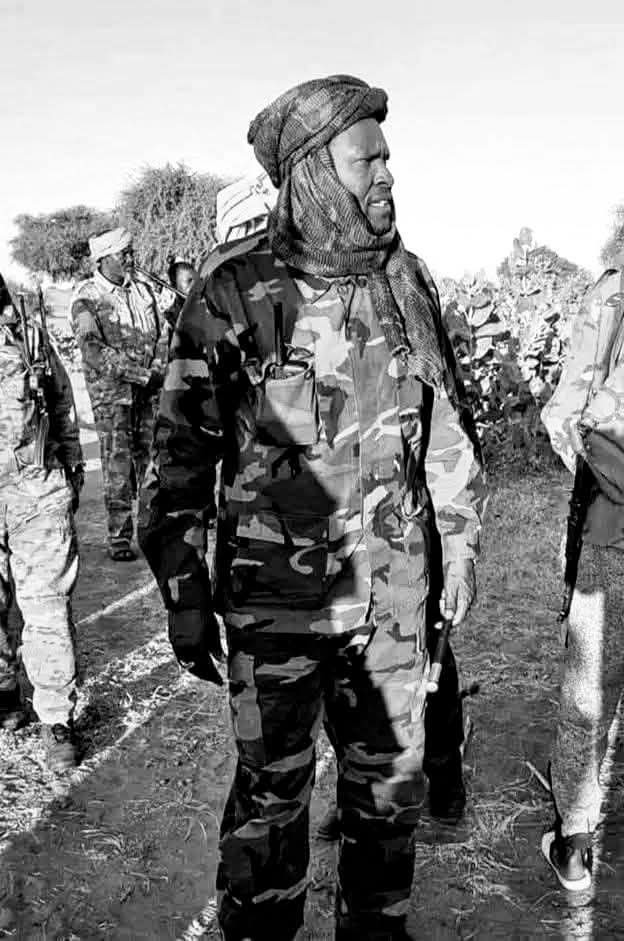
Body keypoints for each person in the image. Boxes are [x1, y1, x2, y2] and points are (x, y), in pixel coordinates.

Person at [139, 75, 486, 940]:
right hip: (276, 613)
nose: (388, 175)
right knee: (271, 805)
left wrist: (460, 547)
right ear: (314, 174)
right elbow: (179, 457)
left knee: (388, 801)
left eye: (388, 157)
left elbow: (447, 436)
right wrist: (183, 591)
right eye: (368, 160)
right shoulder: (234, 288)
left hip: (395, 606)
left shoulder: (407, 281)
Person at [541, 258, 624, 891]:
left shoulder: (614, 293)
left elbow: (569, 417)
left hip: (613, 530)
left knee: (589, 689)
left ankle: (575, 841)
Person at [0, 274, 84, 771]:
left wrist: (72, 463)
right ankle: (4, 692)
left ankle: (56, 717)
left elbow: (61, 399)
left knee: (47, 605)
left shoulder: (26, 333)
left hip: (35, 488)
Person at [71, 227, 168, 561]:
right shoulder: (86, 297)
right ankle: (119, 537)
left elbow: (163, 333)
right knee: (118, 466)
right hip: (113, 397)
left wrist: (158, 367)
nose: (129, 258)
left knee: (153, 463)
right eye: (122, 253)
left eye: (130, 251)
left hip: (149, 394)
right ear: (103, 258)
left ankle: (152, 531)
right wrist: (142, 375)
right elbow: (93, 350)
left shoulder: (143, 291)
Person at [162, 258, 197, 331]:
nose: (195, 284)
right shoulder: (171, 318)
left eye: (197, 279)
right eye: (189, 281)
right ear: (174, 287)